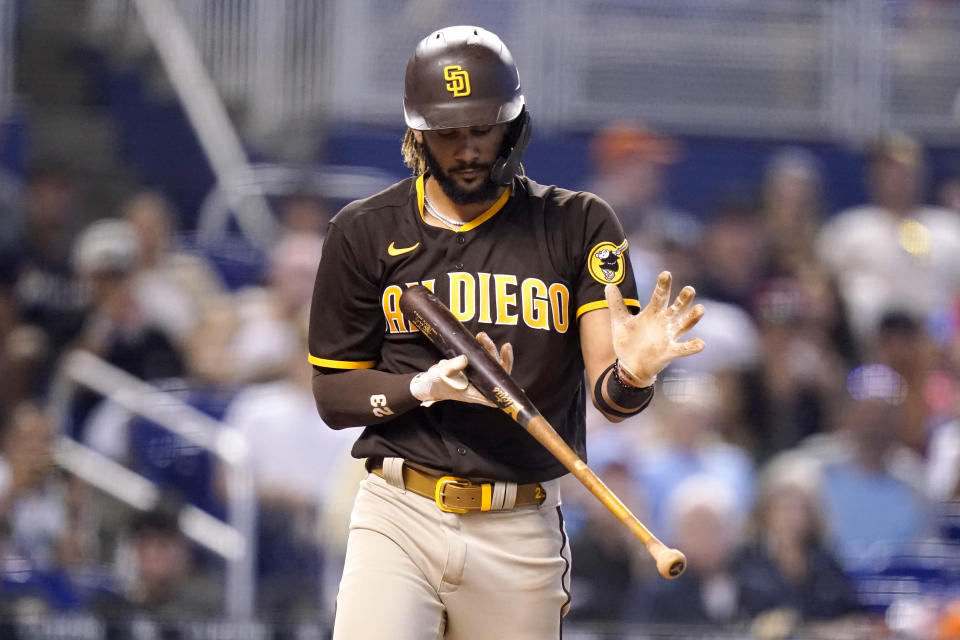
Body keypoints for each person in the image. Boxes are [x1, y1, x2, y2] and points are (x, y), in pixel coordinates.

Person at [308, 26, 705, 640]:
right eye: (447, 133)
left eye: (482, 129)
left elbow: (611, 398)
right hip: (399, 509)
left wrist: (633, 373)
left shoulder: (578, 224)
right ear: (418, 135)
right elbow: (333, 397)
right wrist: (422, 388)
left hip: (520, 521)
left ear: (514, 127)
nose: (466, 149)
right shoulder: (362, 230)